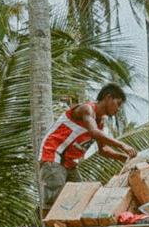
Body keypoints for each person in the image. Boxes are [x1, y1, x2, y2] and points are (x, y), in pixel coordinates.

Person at [37, 83, 137, 218]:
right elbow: (94, 132)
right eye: (118, 104)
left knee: (80, 197)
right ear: (108, 97)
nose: (118, 109)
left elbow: (103, 150)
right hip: (53, 154)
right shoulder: (87, 109)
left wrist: (124, 158)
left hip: (69, 162)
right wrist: (122, 145)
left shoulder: (100, 121)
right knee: (53, 198)